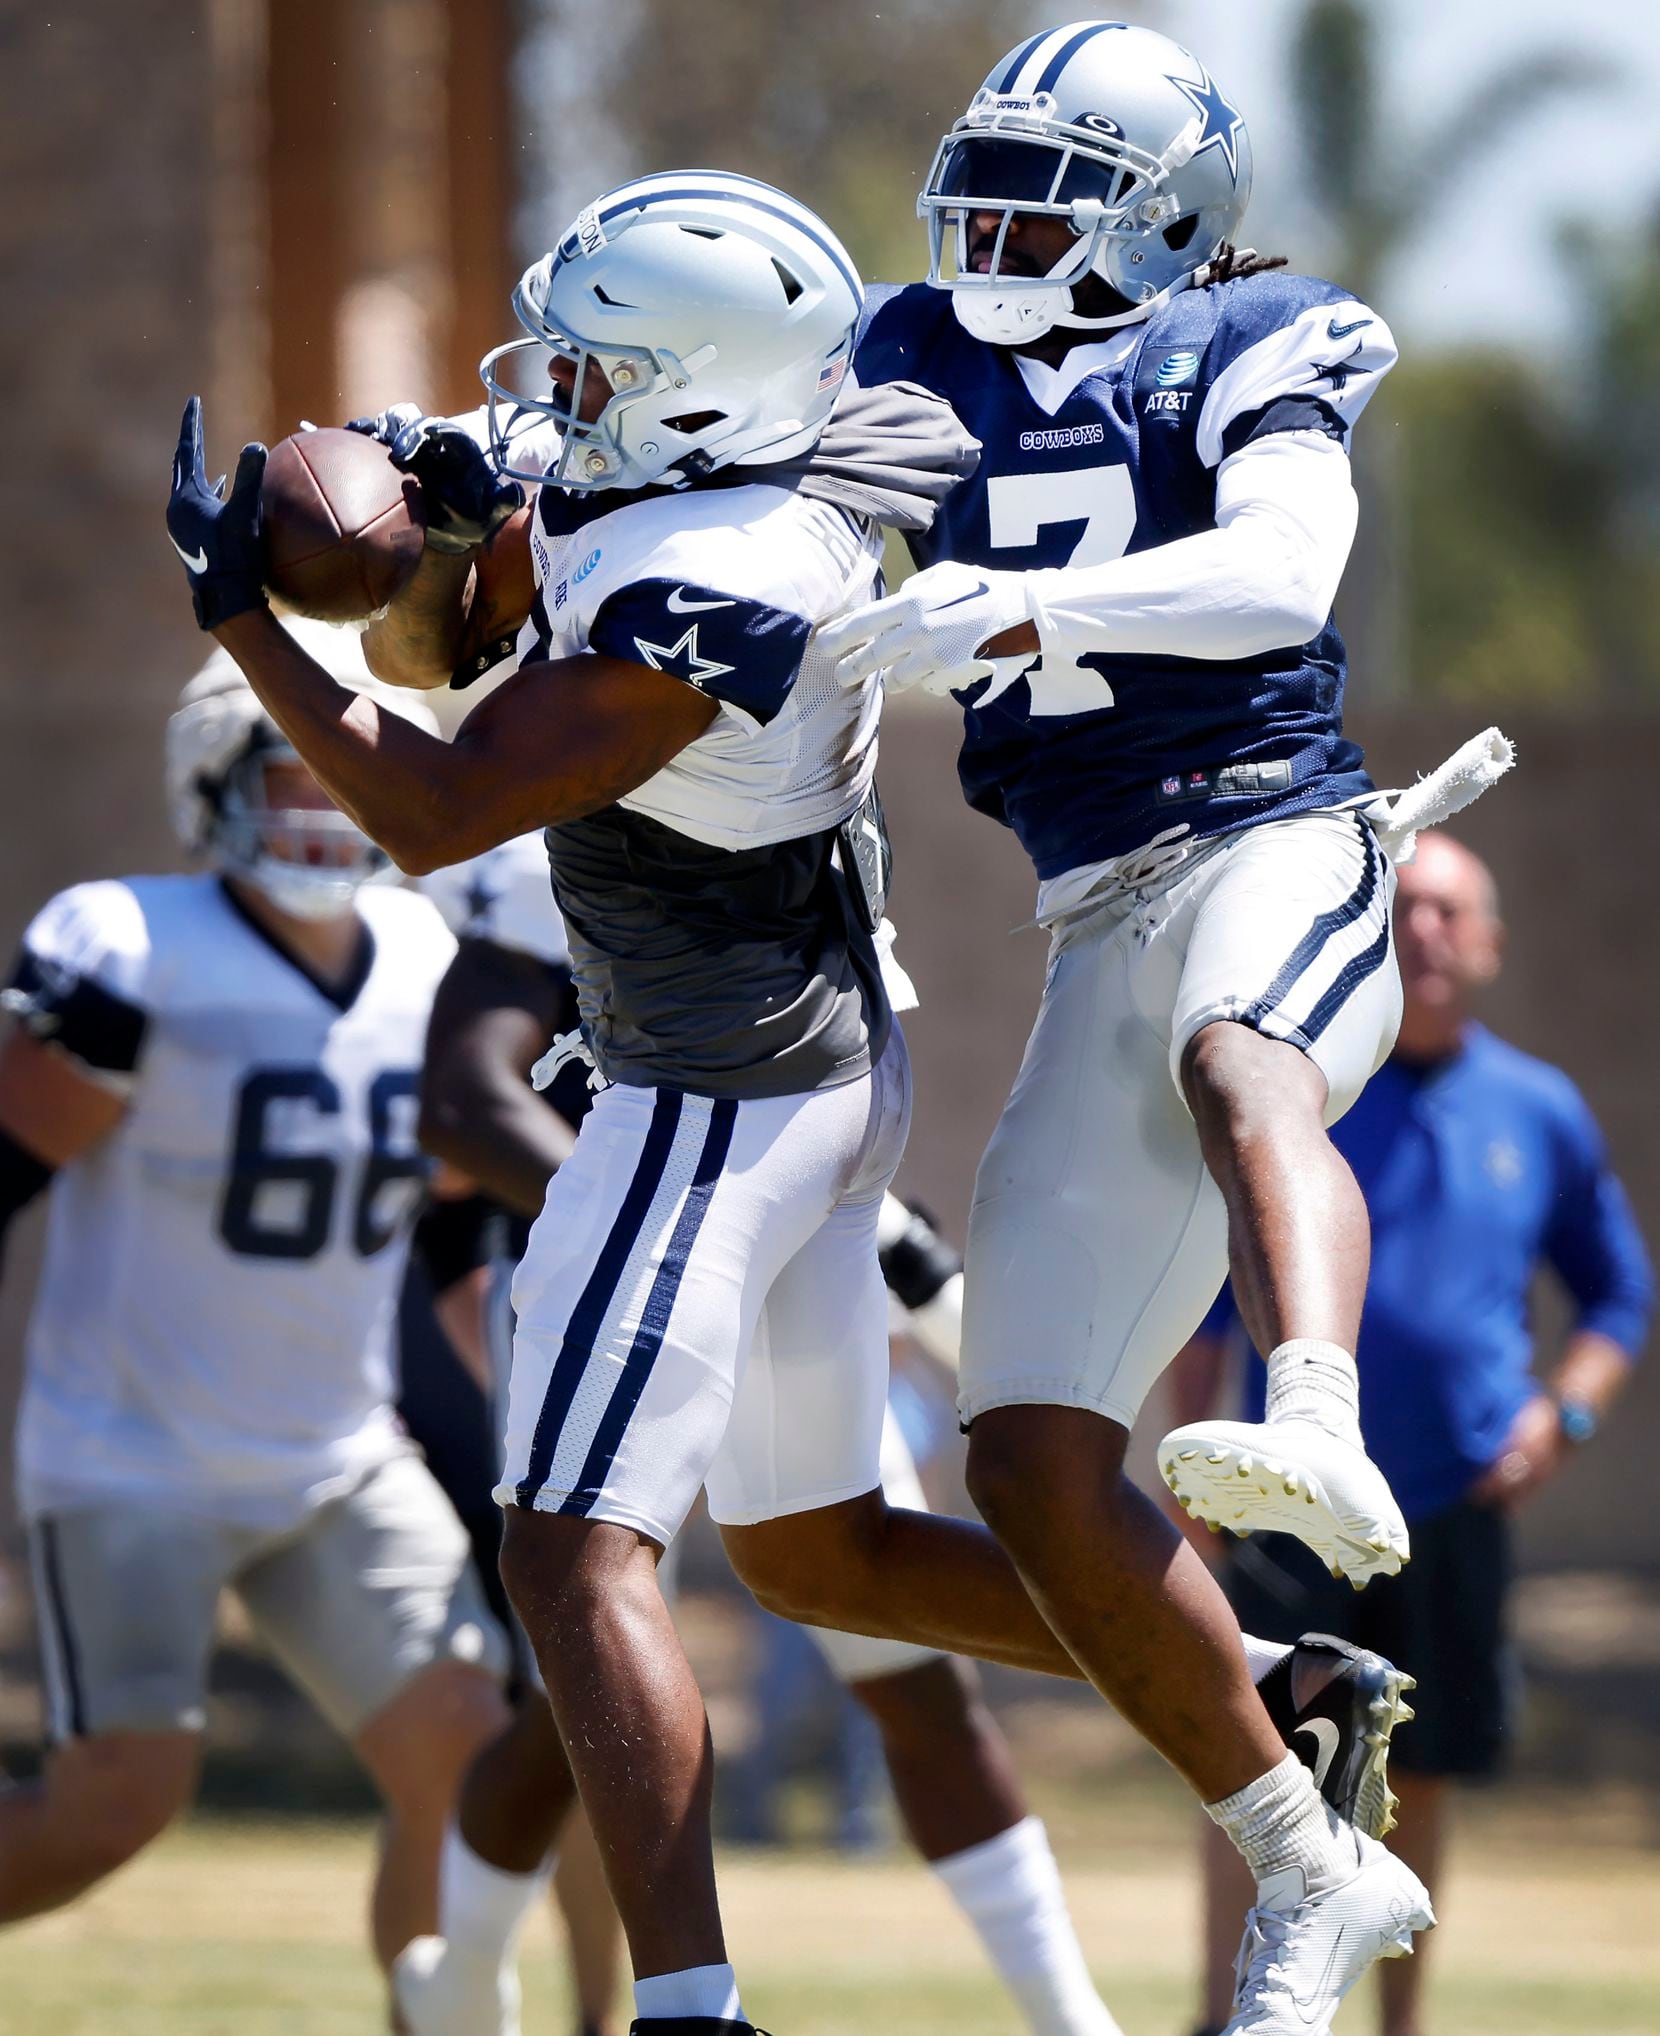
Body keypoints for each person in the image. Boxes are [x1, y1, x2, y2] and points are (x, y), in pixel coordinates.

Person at [165, 169, 1420, 2036]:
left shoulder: (716, 586)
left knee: (569, 1554)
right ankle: (1259, 1676)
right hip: (821, 1068)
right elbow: (529, 477)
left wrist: (249, 618)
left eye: (600, 369)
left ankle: (689, 2010)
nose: (558, 391)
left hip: (709, 1086)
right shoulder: (788, 441)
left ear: (696, 400)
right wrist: (418, 462)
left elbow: (430, 809)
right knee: (814, 1549)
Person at [819, 22, 1460, 2031]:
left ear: (1165, 216)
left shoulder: (1258, 335)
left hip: (1276, 832)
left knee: (1235, 1053)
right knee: (1016, 1464)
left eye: (1045, 197)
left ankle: (1314, 1413)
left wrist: (1012, 612)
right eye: (978, 189)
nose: (989, 233)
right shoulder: (902, 351)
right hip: (1087, 906)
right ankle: (1305, 1859)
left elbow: (1279, 574)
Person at [404, 826, 1130, 2036]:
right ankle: (477, 1972)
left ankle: (1072, 2017)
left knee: (902, 1651)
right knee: (574, 1674)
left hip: (772, 1265)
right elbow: (467, 1095)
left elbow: (798, 1089)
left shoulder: (796, 802)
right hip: (614, 1278)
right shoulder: (574, 811)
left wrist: (875, 1238)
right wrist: (666, 1235)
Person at [0, 622, 511, 2001]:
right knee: (116, 1807)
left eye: (352, 766)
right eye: (293, 770)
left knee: (472, 1752)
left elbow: (460, 1209)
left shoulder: (427, 950)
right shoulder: (126, 942)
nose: (330, 801)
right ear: (213, 777)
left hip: (336, 1450)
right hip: (131, 1454)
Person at [1171, 830, 1652, 2036]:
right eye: (1408, 906)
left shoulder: (1537, 1110)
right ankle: (1224, 2014)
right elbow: (1199, 1305)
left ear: (1486, 943)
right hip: (1289, 1504)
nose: (1426, 928)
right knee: (1253, 1754)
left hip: (1447, 1504)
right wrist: (1198, 1455)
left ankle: (1396, 2025)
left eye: (1450, 910)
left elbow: (1617, 1294)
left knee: (1413, 1768)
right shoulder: (1305, 1093)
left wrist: (1566, 1410)